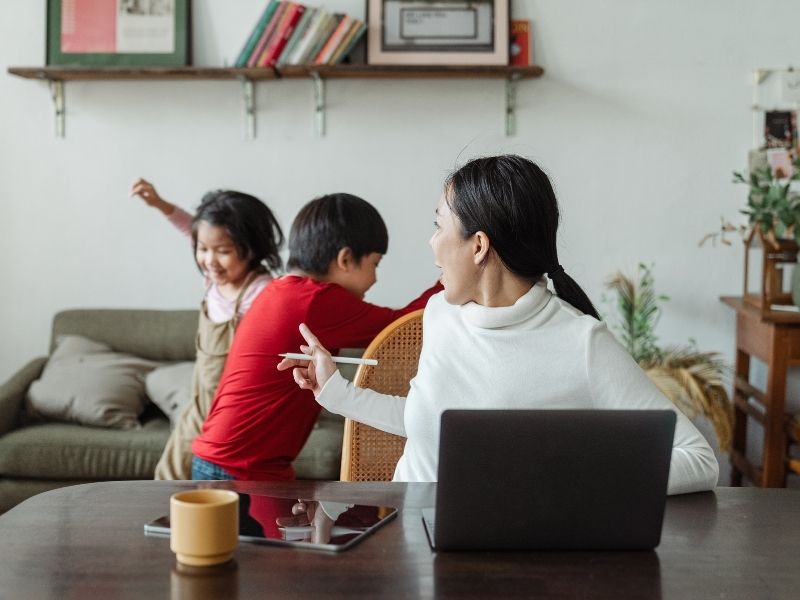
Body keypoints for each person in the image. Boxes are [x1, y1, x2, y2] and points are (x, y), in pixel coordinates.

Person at [279, 155, 720, 496]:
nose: (432, 243)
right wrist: (335, 391)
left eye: (438, 226)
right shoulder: (440, 314)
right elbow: (429, 424)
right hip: (408, 544)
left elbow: (698, 459)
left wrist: (572, 476)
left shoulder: (582, 342)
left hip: (511, 556)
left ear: (478, 246)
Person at [190, 193, 442, 481]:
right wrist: (450, 277)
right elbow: (401, 328)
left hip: (229, 459)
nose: (375, 278)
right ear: (345, 259)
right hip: (238, 468)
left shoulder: (284, 290)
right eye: (375, 264)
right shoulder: (314, 300)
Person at [129, 178, 284, 480]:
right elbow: (193, 229)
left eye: (223, 251)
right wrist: (161, 205)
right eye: (202, 249)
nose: (210, 260)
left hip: (230, 413)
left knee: (205, 483)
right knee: (168, 475)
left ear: (252, 248)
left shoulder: (262, 292)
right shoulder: (214, 279)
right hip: (199, 402)